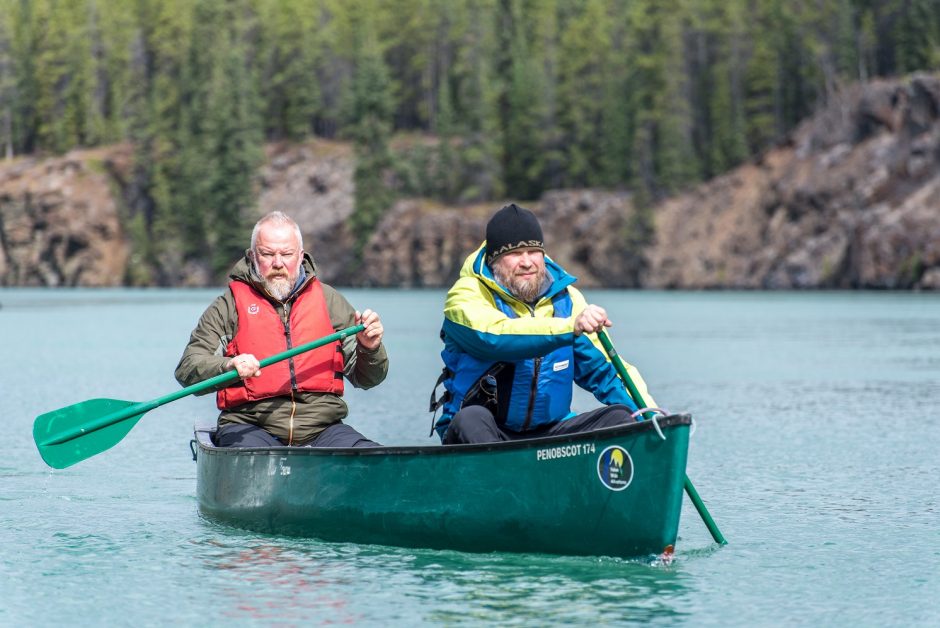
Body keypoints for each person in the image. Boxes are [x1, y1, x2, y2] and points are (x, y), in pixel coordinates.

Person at [430, 203, 656, 444]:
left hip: (549, 434)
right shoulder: (465, 294)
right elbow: (496, 337)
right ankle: (499, 479)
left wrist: (652, 420)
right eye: (514, 253)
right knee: (470, 418)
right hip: (484, 433)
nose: (527, 262)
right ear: (494, 260)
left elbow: (607, 373)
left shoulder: (568, 300)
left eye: (533, 252)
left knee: (621, 416)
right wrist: (568, 328)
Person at [176, 211, 388, 448]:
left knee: (372, 456)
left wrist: (370, 348)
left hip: (323, 428)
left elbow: (370, 379)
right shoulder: (228, 306)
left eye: (286, 254)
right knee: (254, 457)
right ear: (253, 256)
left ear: (300, 256)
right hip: (249, 427)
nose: (278, 263)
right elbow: (188, 368)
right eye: (267, 254)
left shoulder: (330, 302)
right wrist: (228, 365)